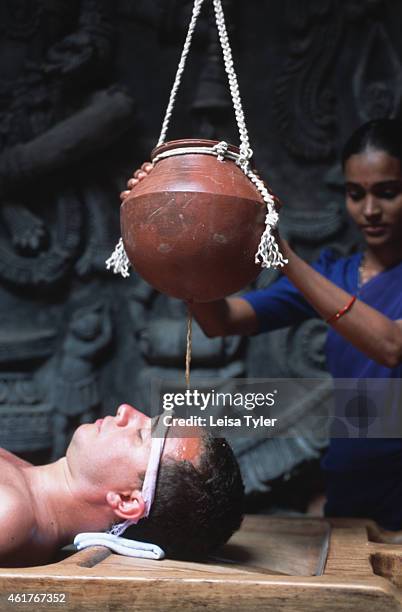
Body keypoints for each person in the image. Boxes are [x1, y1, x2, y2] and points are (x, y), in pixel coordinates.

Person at [124, 119, 402, 529]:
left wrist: (282, 252)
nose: (370, 210)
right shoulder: (335, 276)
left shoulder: (318, 281)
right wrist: (189, 232)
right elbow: (220, 321)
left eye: (387, 193)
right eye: (355, 194)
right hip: (348, 476)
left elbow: (391, 345)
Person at [0, 404, 244, 567]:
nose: (125, 410)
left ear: (126, 501)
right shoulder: (22, 482)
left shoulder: (9, 515)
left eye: (141, 435)